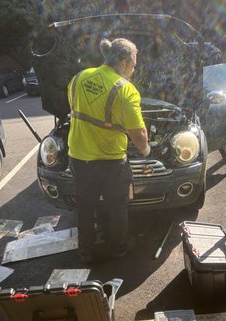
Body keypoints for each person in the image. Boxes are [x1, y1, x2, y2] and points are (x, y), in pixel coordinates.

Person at [68, 37, 150, 266]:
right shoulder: (126, 90)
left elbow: (76, 110)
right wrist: (145, 149)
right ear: (123, 62)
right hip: (110, 161)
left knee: (85, 207)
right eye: (133, 65)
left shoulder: (78, 78)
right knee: (117, 206)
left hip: (78, 157)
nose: (134, 70)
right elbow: (139, 136)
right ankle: (118, 248)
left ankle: (86, 251)